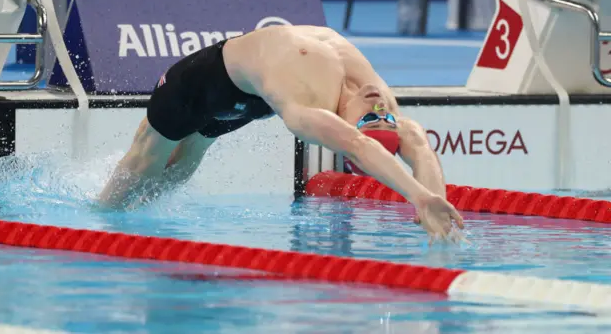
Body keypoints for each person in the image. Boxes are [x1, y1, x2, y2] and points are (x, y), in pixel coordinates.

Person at [99, 25, 464, 241]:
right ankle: (104, 214)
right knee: (149, 152)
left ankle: (122, 221)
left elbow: (355, 144)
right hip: (208, 81)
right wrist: (430, 198)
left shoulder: (309, 112)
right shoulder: (378, 101)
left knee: (191, 153)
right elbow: (414, 140)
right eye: (384, 117)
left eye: (372, 120)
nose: (380, 108)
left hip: (256, 95)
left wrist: (426, 204)